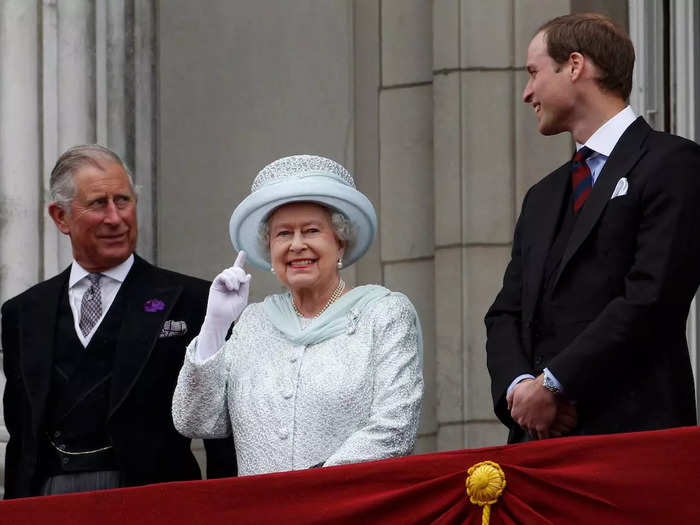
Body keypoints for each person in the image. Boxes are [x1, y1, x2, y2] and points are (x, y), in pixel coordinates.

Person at [485, 13, 700, 443]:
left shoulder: (674, 163)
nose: (528, 93)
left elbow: (652, 298)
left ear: (576, 66)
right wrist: (522, 392)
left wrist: (555, 384)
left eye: (534, 73)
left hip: (636, 438)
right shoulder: (542, 196)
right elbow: (506, 313)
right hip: (540, 443)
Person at [1, 144, 236, 498]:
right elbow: (22, 436)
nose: (115, 218)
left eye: (123, 201)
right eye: (98, 204)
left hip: (153, 501)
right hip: (51, 502)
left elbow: (221, 431)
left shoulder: (195, 301)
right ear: (60, 217)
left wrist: (226, 510)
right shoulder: (23, 312)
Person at [172, 154, 423, 475]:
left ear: (340, 243)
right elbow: (195, 419)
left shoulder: (384, 314)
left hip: (349, 509)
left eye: (312, 230)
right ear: (269, 250)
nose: (297, 245)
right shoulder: (252, 323)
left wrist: (307, 491)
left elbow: (396, 428)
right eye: (283, 234)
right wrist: (215, 327)